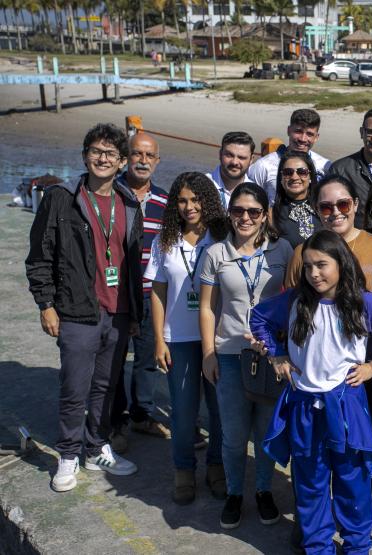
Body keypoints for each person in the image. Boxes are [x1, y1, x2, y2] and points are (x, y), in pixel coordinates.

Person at [247, 230, 372, 554]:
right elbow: (259, 319)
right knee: (310, 484)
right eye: (308, 266)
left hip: (346, 404)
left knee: (352, 483)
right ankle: (319, 547)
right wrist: (276, 353)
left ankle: (356, 547)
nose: (313, 273)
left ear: (341, 262)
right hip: (304, 407)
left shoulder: (364, 303)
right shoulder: (295, 300)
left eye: (321, 264)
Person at [27, 123, 143, 492]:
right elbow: (39, 257)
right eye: (96, 151)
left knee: (106, 386)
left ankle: (96, 446)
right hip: (77, 309)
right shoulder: (62, 197)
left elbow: (133, 261)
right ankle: (67, 454)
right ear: (84, 156)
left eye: (111, 153)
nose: (103, 158)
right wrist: (46, 304)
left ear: (122, 161)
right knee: (75, 386)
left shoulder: (128, 202)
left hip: (119, 311)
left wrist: (136, 315)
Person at [198, 183, 293, 529]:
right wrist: (208, 351)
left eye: (254, 211)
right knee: (234, 434)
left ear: (265, 214)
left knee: (266, 431)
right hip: (230, 355)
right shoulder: (215, 254)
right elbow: (207, 308)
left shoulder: (282, 250)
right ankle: (236, 492)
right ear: (229, 213)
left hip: (270, 356)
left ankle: (264, 491)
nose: (245, 218)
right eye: (238, 210)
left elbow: (296, 299)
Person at [146, 172, 229, 504]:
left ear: (208, 201)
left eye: (196, 200)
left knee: (220, 408)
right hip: (178, 337)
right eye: (182, 200)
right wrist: (158, 339)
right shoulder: (164, 241)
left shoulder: (223, 237)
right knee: (182, 410)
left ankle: (216, 466)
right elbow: (157, 292)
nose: (189, 206)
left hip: (219, 338)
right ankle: (183, 469)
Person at [110, 131, 170, 451]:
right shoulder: (110, 192)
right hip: (116, 293)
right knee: (115, 358)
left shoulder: (164, 200)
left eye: (149, 156)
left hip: (150, 294)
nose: (143, 161)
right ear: (126, 158)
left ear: (157, 161)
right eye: (137, 154)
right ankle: (116, 420)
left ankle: (141, 414)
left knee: (146, 357)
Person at [287, 176, 372, 293]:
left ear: (356, 204)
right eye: (326, 207)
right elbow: (292, 300)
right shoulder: (303, 253)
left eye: (343, 204)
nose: (336, 212)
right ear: (317, 210)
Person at [246, 109, 333, 204]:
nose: (303, 139)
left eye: (309, 134)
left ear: (316, 137)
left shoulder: (325, 166)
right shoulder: (263, 166)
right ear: (288, 131)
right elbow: (248, 200)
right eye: (298, 131)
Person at [272, 150, 321, 249]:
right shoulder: (271, 215)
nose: (294, 177)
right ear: (281, 178)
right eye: (288, 172)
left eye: (302, 172)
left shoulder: (324, 208)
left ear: (310, 177)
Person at [207, 131, 257, 209]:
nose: (234, 162)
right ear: (220, 154)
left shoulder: (256, 192)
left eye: (241, 157)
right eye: (229, 155)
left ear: (251, 159)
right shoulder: (203, 184)